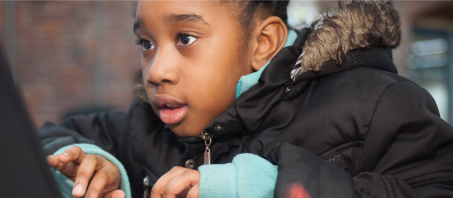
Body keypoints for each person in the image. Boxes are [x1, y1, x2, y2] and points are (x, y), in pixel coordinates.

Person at [40, 0, 453, 197]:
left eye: (185, 38)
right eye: (146, 43)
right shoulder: (145, 124)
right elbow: (50, 136)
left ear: (263, 42)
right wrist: (94, 167)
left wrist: (268, 190)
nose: (156, 71)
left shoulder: (381, 106)